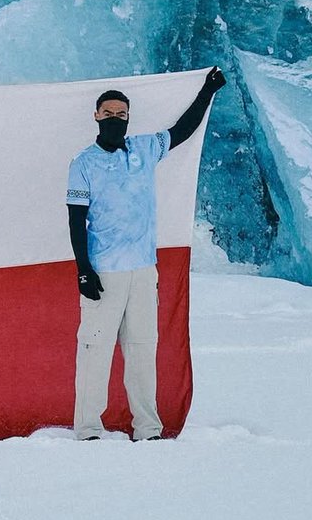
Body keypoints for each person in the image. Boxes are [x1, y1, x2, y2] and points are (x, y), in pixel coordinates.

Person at [66, 66, 226, 441]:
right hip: (104, 271)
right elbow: (76, 221)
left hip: (143, 270)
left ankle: (148, 427)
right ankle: (88, 427)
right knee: (95, 349)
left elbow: (182, 130)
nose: (115, 120)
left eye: (121, 115)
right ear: (96, 116)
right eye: (108, 114)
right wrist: (83, 270)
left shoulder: (143, 148)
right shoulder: (83, 163)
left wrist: (208, 92)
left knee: (141, 349)